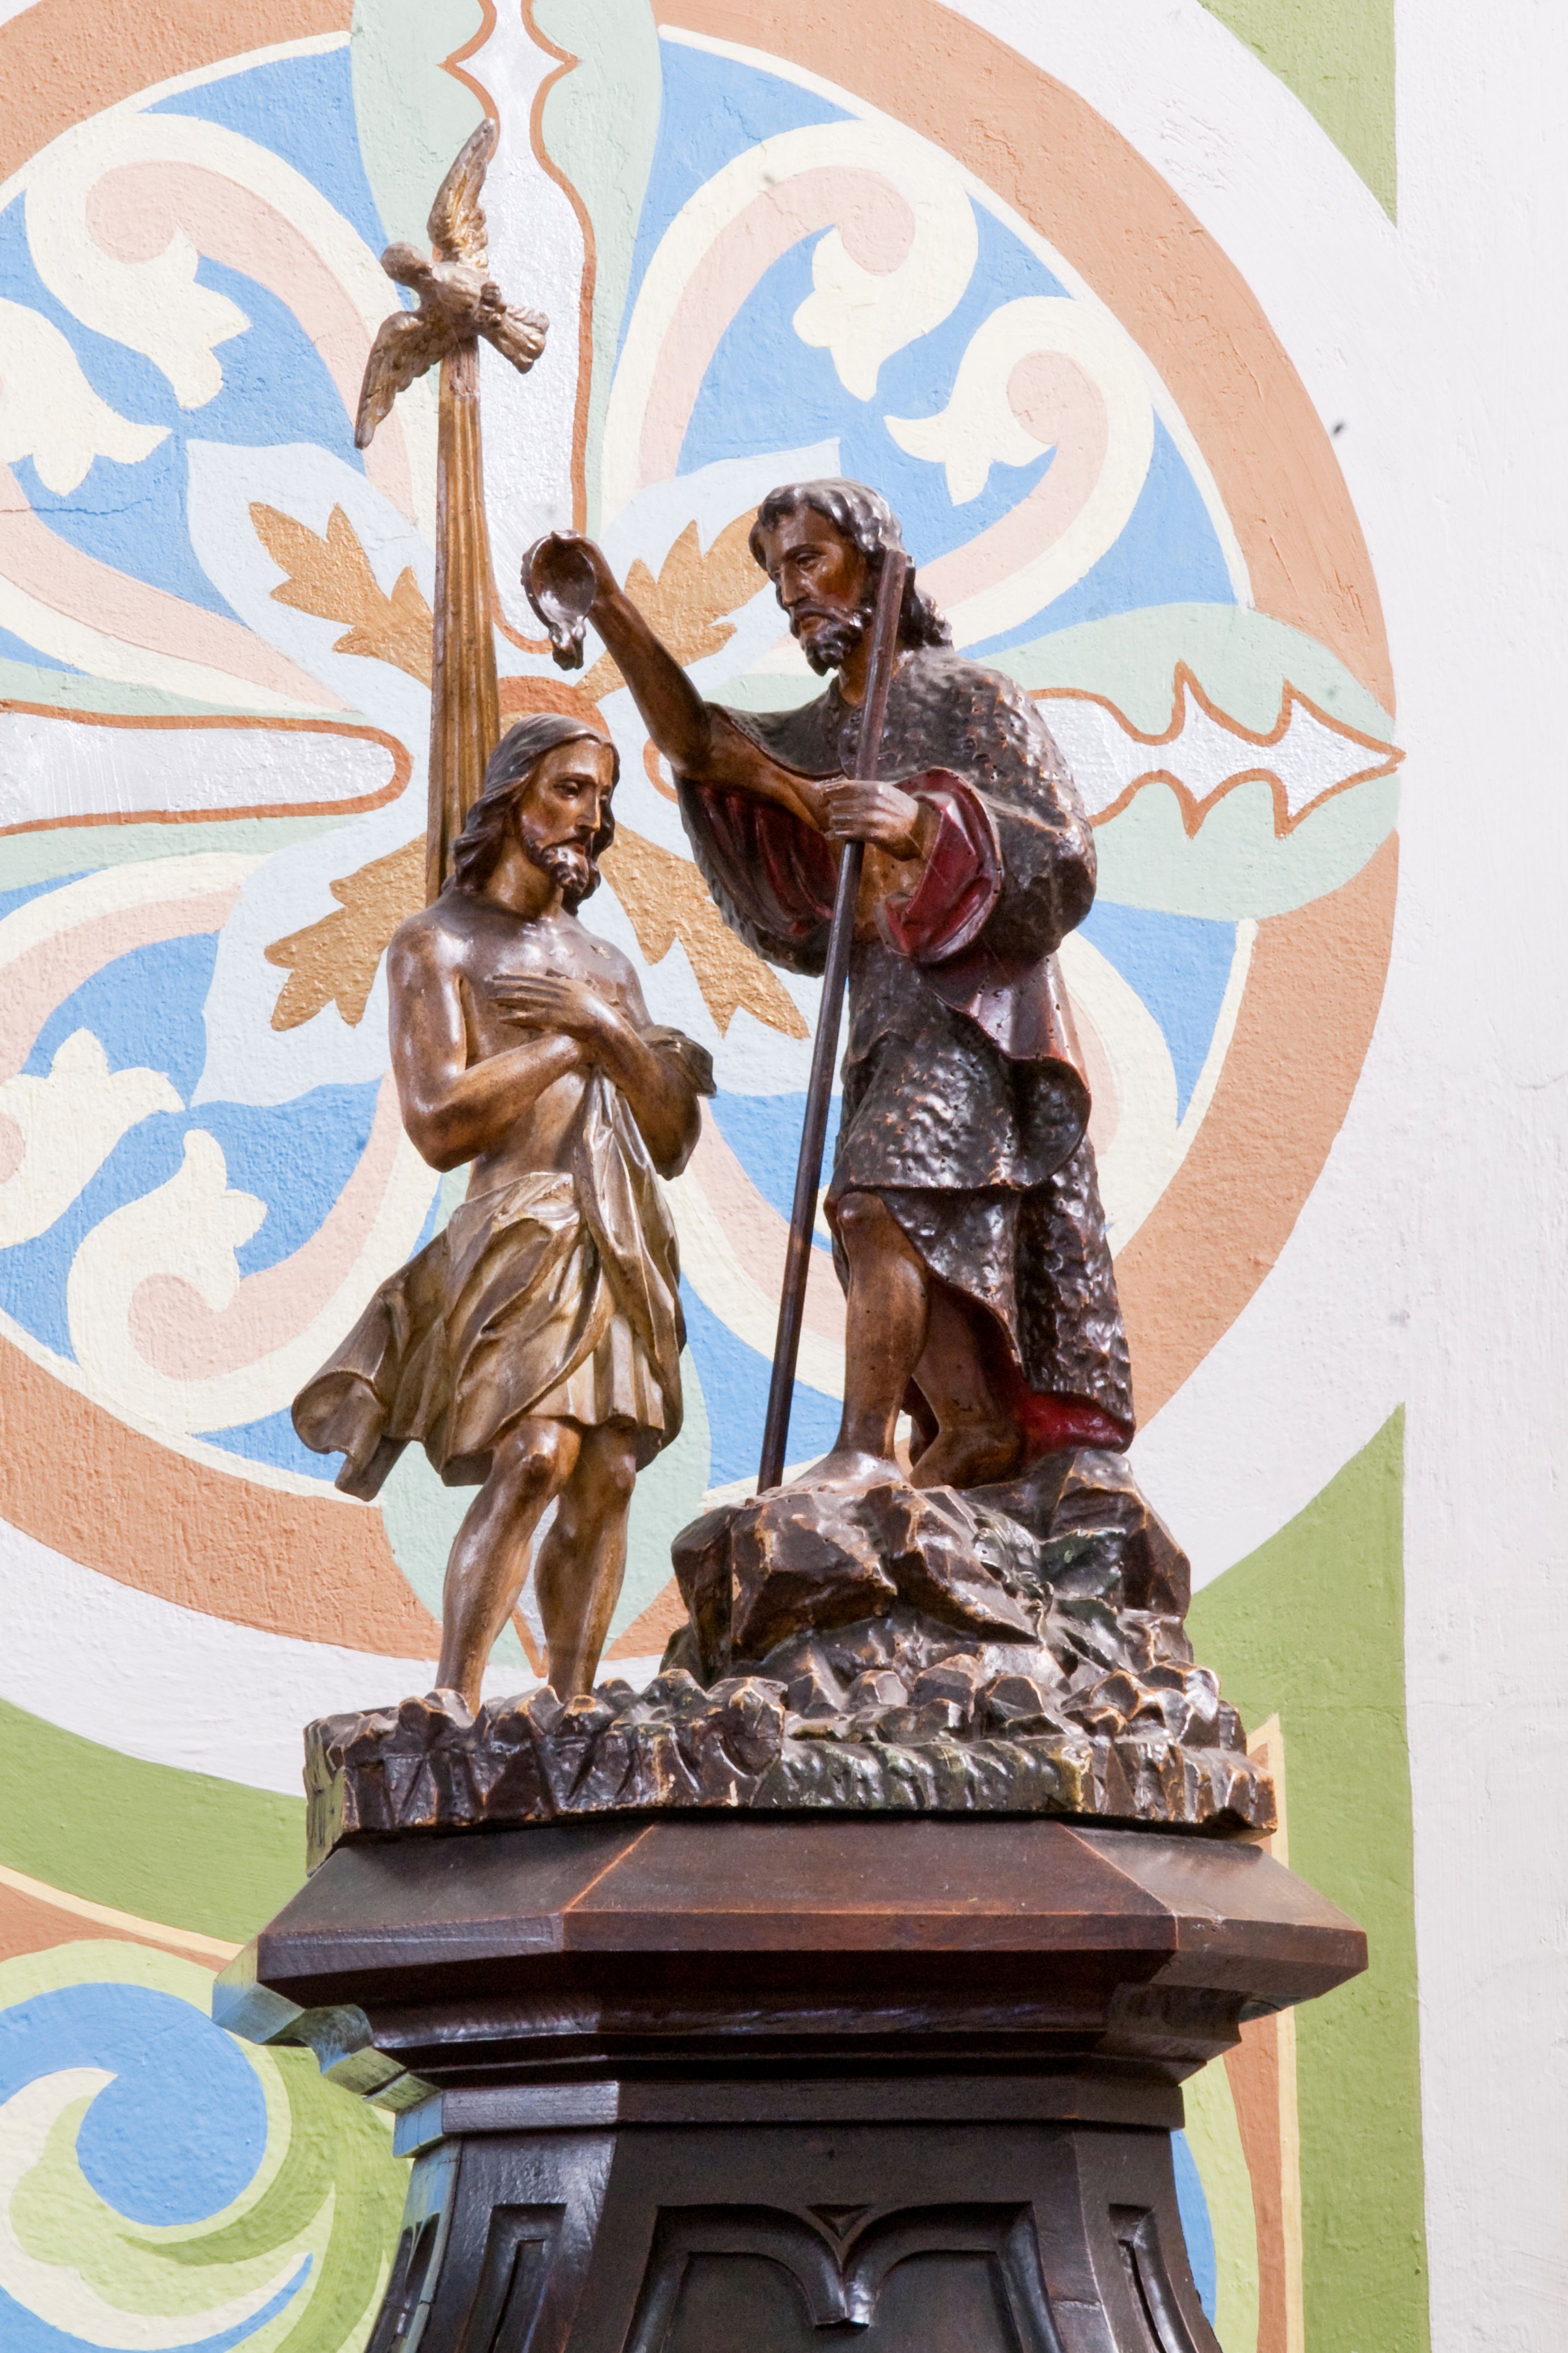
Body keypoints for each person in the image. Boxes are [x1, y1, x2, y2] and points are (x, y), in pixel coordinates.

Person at [527, 479, 1132, 1495]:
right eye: (777, 574)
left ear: (876, 563)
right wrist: (611, 609)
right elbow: (705, 746)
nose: (791, 591)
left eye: (808, 560)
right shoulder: (820, 729)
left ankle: (862, 1447)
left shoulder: (968, 698)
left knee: (875, 1198)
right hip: (885, 1016)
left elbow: (1064, 853)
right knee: (890, 1210)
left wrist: (921, 824)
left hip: (971, 1018)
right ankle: (974, 1424)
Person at [292, 714, 712, 1702]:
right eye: (569, 790)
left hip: (616, 1230)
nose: (591, 817)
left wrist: (605, 1026)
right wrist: (571, 1043)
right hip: (517, 1230)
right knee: (534, 1455)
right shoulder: (436, 943)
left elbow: (671, 1139)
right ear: (512, 796)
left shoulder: (605, 970)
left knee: (610, 1471)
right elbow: (440, 1121)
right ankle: (456, 1694)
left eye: (603, 797)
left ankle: (572, 1702)